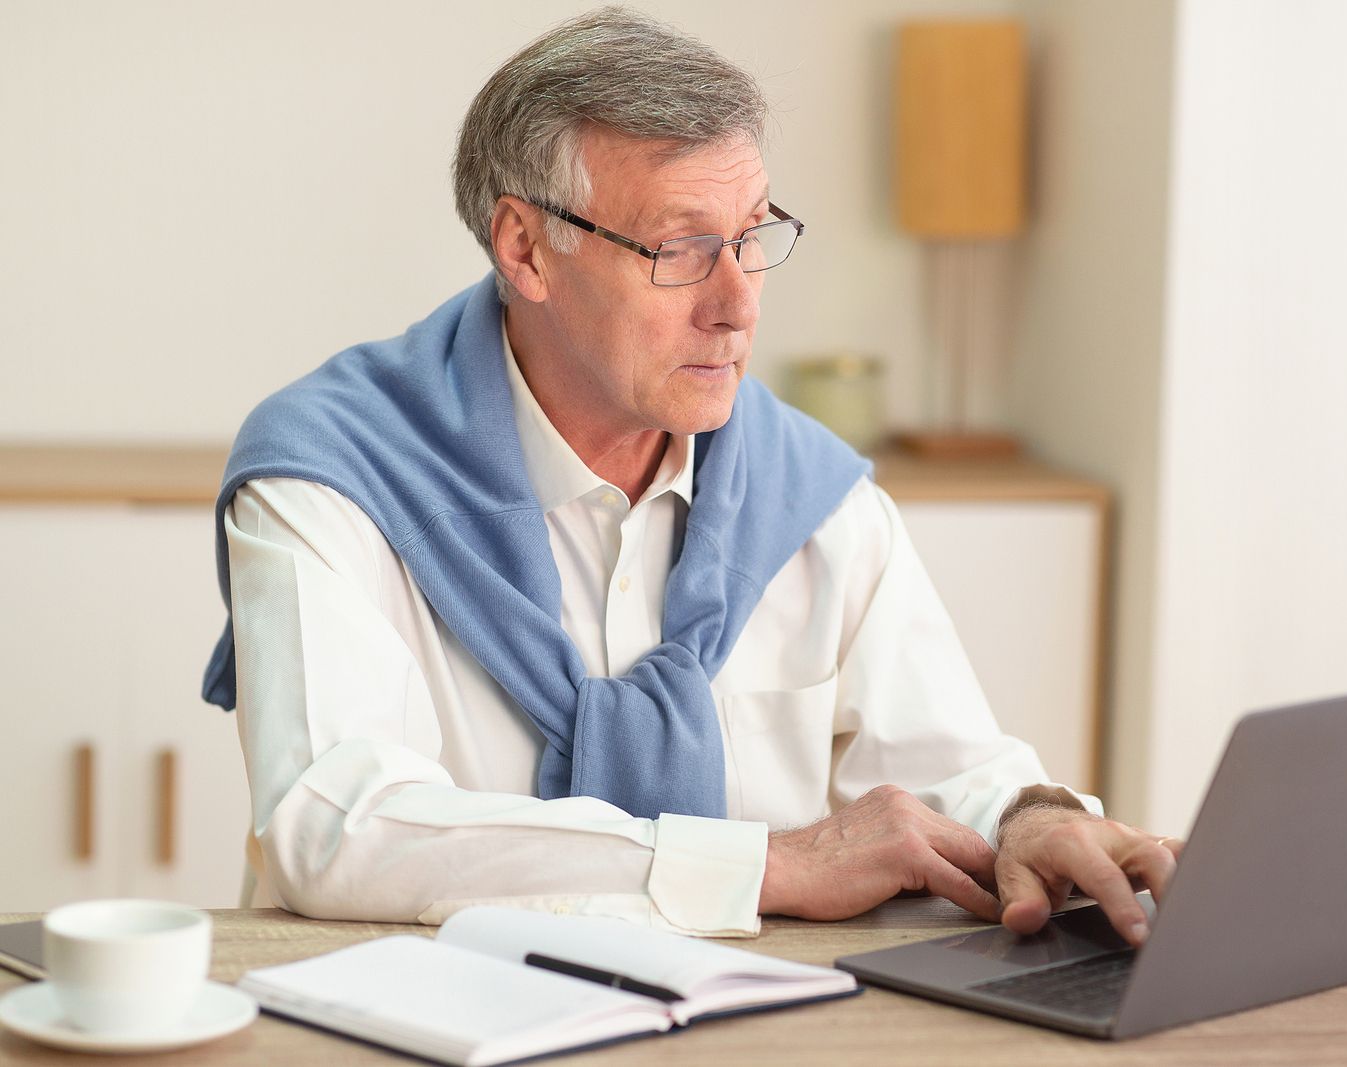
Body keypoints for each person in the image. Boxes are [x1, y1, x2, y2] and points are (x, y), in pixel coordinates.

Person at [203, 6, 1178, 944]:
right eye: (680, 249)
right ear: (525, 246)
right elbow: (334, 825)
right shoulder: (332, 479)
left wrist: (1030, 821)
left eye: (752, 236)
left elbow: (944, 767)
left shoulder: (813, 496)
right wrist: (757, 863)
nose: (737, 304)